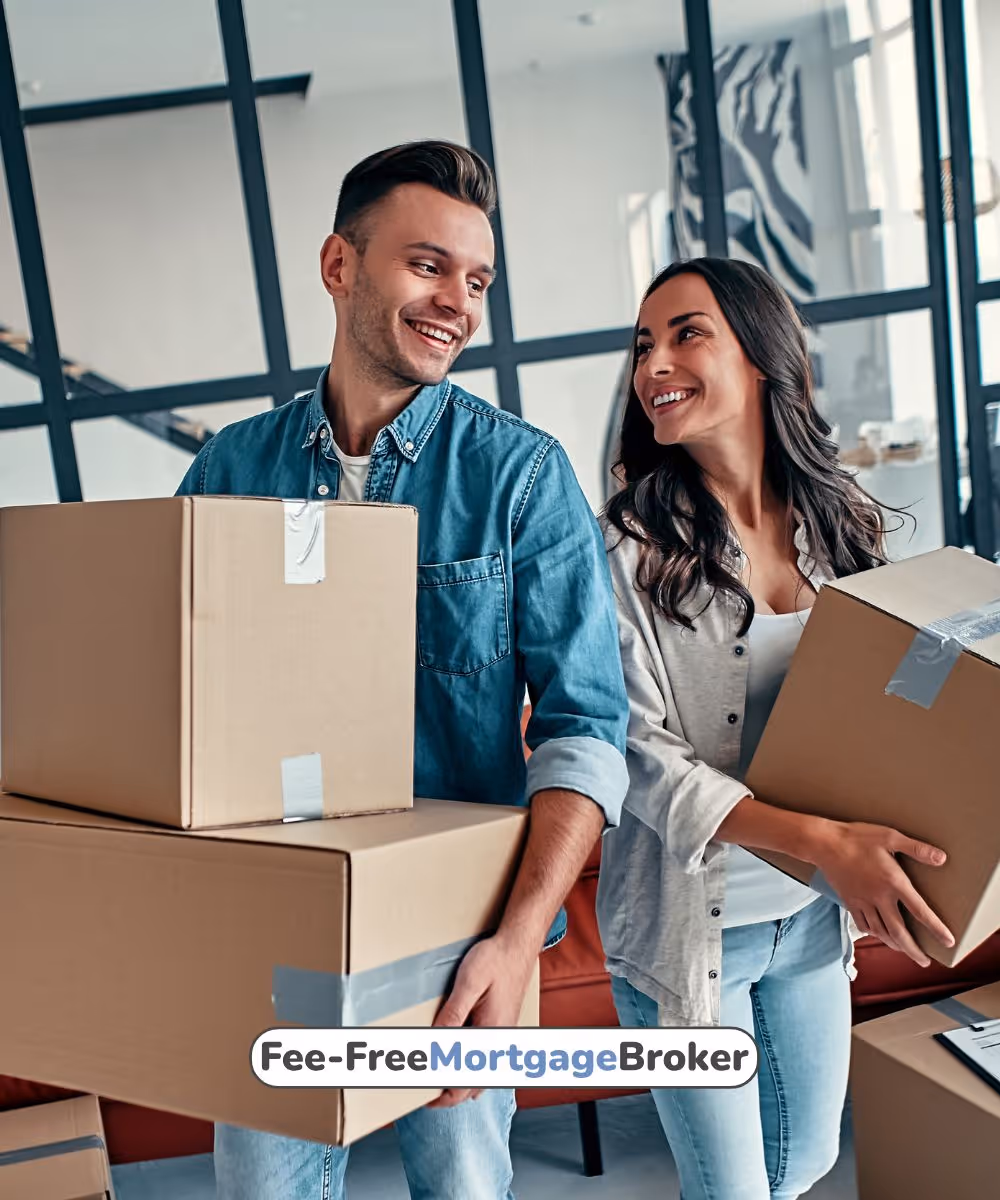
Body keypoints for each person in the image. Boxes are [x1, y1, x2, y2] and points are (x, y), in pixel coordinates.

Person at [175, 140, 629, 1200]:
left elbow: (585, 734)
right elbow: (181, 709)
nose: (456, 304)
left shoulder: (521, 476)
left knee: (465, 1186)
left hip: (459, 939)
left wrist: (517, 947)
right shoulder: (227, 471)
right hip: (274, 933)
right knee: (263, 1187)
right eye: (428, 266)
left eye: (476, 281)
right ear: (339, 265)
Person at [598, 257, 955, 1200]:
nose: (653, 364)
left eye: (685, 333)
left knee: (806, 1160)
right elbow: (638, 757)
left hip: (806, 922)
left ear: (761, 357)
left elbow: (892, 703)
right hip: (685, 941)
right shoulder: (627, 551)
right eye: (643, 345)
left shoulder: (842, 526)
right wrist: (825, 843)